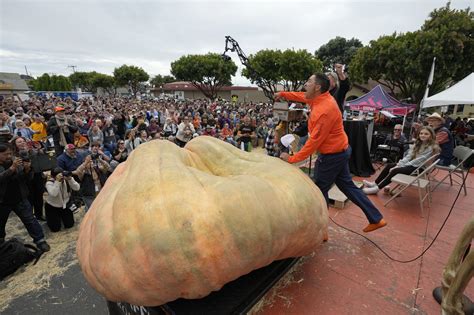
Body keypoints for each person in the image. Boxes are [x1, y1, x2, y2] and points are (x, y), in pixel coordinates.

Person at [276, 73, 386, 233]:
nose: (305, 84)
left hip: (332, 155)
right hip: (340, 151)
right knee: (347, 186)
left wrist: (292, 158)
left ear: (318, 87)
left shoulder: (324, 110)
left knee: (319, 190)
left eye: (309, 81)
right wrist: (283, 94)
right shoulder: (318, 98)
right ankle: (376, 218)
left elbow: (313, 142)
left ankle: (321, 231)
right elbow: (301, 96)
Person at [0, 143, 50, 251]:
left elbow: (25, 179)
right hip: (2, 201)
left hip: (20, 198)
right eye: (5, 154)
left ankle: (40, 241)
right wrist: (11, 169)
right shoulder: (12, 165)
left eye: (10, 153)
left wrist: (27, 170)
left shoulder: (15, 161)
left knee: (30, 220)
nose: (9, 156)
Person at [363, 126, 439, 194]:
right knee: (390, 165)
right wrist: (399, 164)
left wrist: (398, 167)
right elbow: (409, 156)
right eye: (421, 133)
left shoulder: (431, 147)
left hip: (419, 169)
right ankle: (375, 183)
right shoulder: (418, 144)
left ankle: (377, 189)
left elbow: (417, 161)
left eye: (426, 134)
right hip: (413, 165)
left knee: (395, 170)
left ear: (431, 136)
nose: (423, 135)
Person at [44, 167, 80, 232]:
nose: (61, 177)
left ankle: (61, 218)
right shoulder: (49, 183)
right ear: (53, 176)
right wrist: (57, 182)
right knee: (55, 229)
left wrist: (70, 179)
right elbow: (54, 193)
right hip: (53, 206)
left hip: (65, 204)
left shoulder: (66, 180)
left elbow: (77, 188)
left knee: (69, 225)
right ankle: (52, 219)